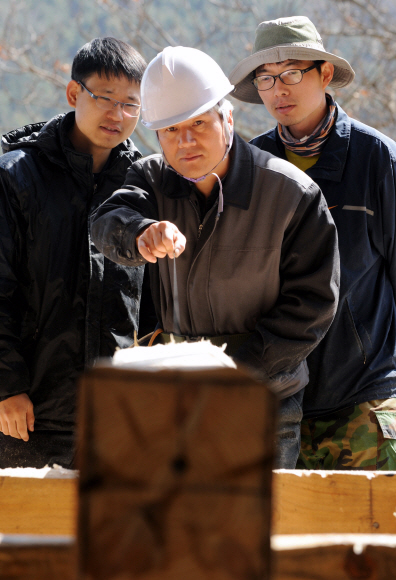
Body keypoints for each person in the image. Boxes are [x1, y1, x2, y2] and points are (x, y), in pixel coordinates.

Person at [90, 46, 340, 468]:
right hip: (172, 404)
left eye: (199, 124)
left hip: (264, 405)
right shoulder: (150, 178)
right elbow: (106, 222)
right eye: (170, 131)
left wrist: (233, 375)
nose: (185, 141)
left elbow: (312, 306)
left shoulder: (291, 194)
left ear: (227, 118)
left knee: (259, 531)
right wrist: (139, 234)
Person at [229, 16, 396, 470]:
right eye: (265, 78)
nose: (277, 89)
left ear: (324, 73)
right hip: (276, 403)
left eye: (290, 73)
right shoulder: (248, 167)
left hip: (363, 402)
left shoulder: (377, 159)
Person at [0, 37, 147, 468]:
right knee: (24, 534)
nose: (118, 115)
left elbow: (153, 306)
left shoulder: (143, 183)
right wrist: (6, 387)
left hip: (120, 419)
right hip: (28, 414)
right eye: (106, 98)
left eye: (131, 104)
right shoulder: (16, 178)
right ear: (73, 93)